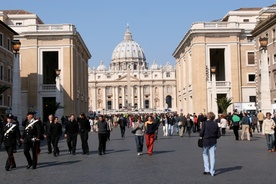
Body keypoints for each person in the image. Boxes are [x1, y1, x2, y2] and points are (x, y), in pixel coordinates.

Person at [200, 111, 220, 177]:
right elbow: (218, 134)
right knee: (212, 156)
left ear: (208, 117)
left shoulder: (204, 123)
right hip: (213, 141)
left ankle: (207, 169)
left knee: (205, 154)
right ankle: (212, 171)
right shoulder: (215, 124)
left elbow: (201, 132)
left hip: (206, 141)